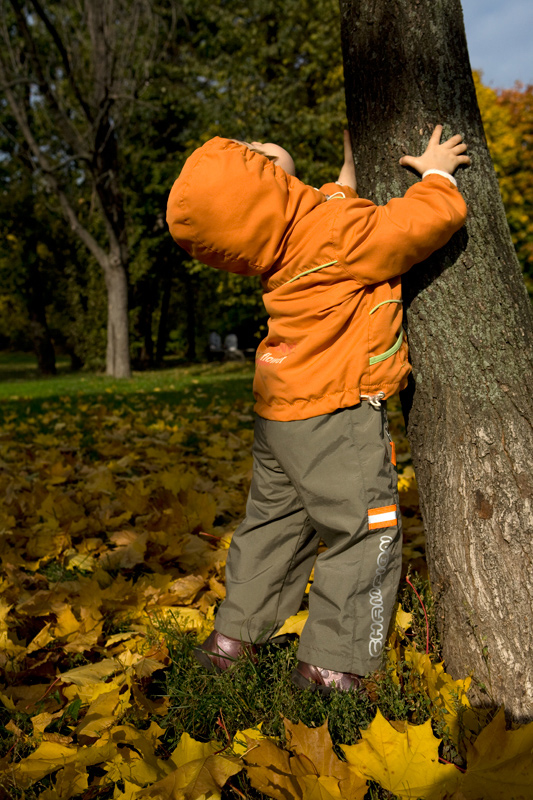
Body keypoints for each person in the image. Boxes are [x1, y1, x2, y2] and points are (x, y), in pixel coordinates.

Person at [166, 125, 469, 694]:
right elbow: (412, 226)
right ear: (263, 189)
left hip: (280, 412)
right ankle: (334, 664)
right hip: (332, 414)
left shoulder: (291, 240)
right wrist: (435, 175)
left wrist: (351, 161)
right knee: (365, 530)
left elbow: (335, 198)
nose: (260, 143)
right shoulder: (332, 233)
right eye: (253, 155)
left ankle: (232, 642)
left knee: (272, 527)